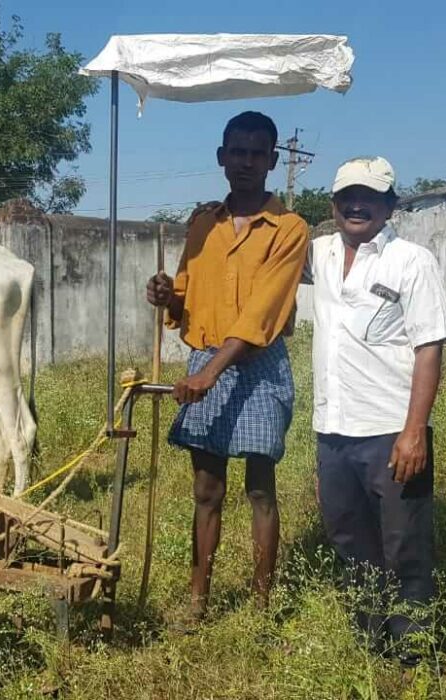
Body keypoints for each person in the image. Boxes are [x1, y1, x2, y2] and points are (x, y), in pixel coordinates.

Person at [146, 111, 309, 624]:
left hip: (257, 368)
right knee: (206, 489)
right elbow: (185, 299)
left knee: (260, 487)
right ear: (221, 157)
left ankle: (261, 609)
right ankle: (199, 602)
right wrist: (165, 296)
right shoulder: (202, 224)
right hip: (204, 364)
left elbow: (264, 312)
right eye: (236, 152)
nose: (245, 162)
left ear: (272, 160)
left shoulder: (289, 229)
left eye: (256, 153)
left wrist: (209, 374)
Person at [305, 156, 446, 664]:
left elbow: (429, 347)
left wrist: (415, 431)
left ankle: (415, 654)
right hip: (332, 430)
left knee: (405, 546)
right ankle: (373, 643)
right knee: (349, 540)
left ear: (390, 205)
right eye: (347, 196)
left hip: (392, 431)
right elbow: (262, 254)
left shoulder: (412, 261)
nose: (357, 204)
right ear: (333, 204)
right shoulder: (320, 252)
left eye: (369, 196)